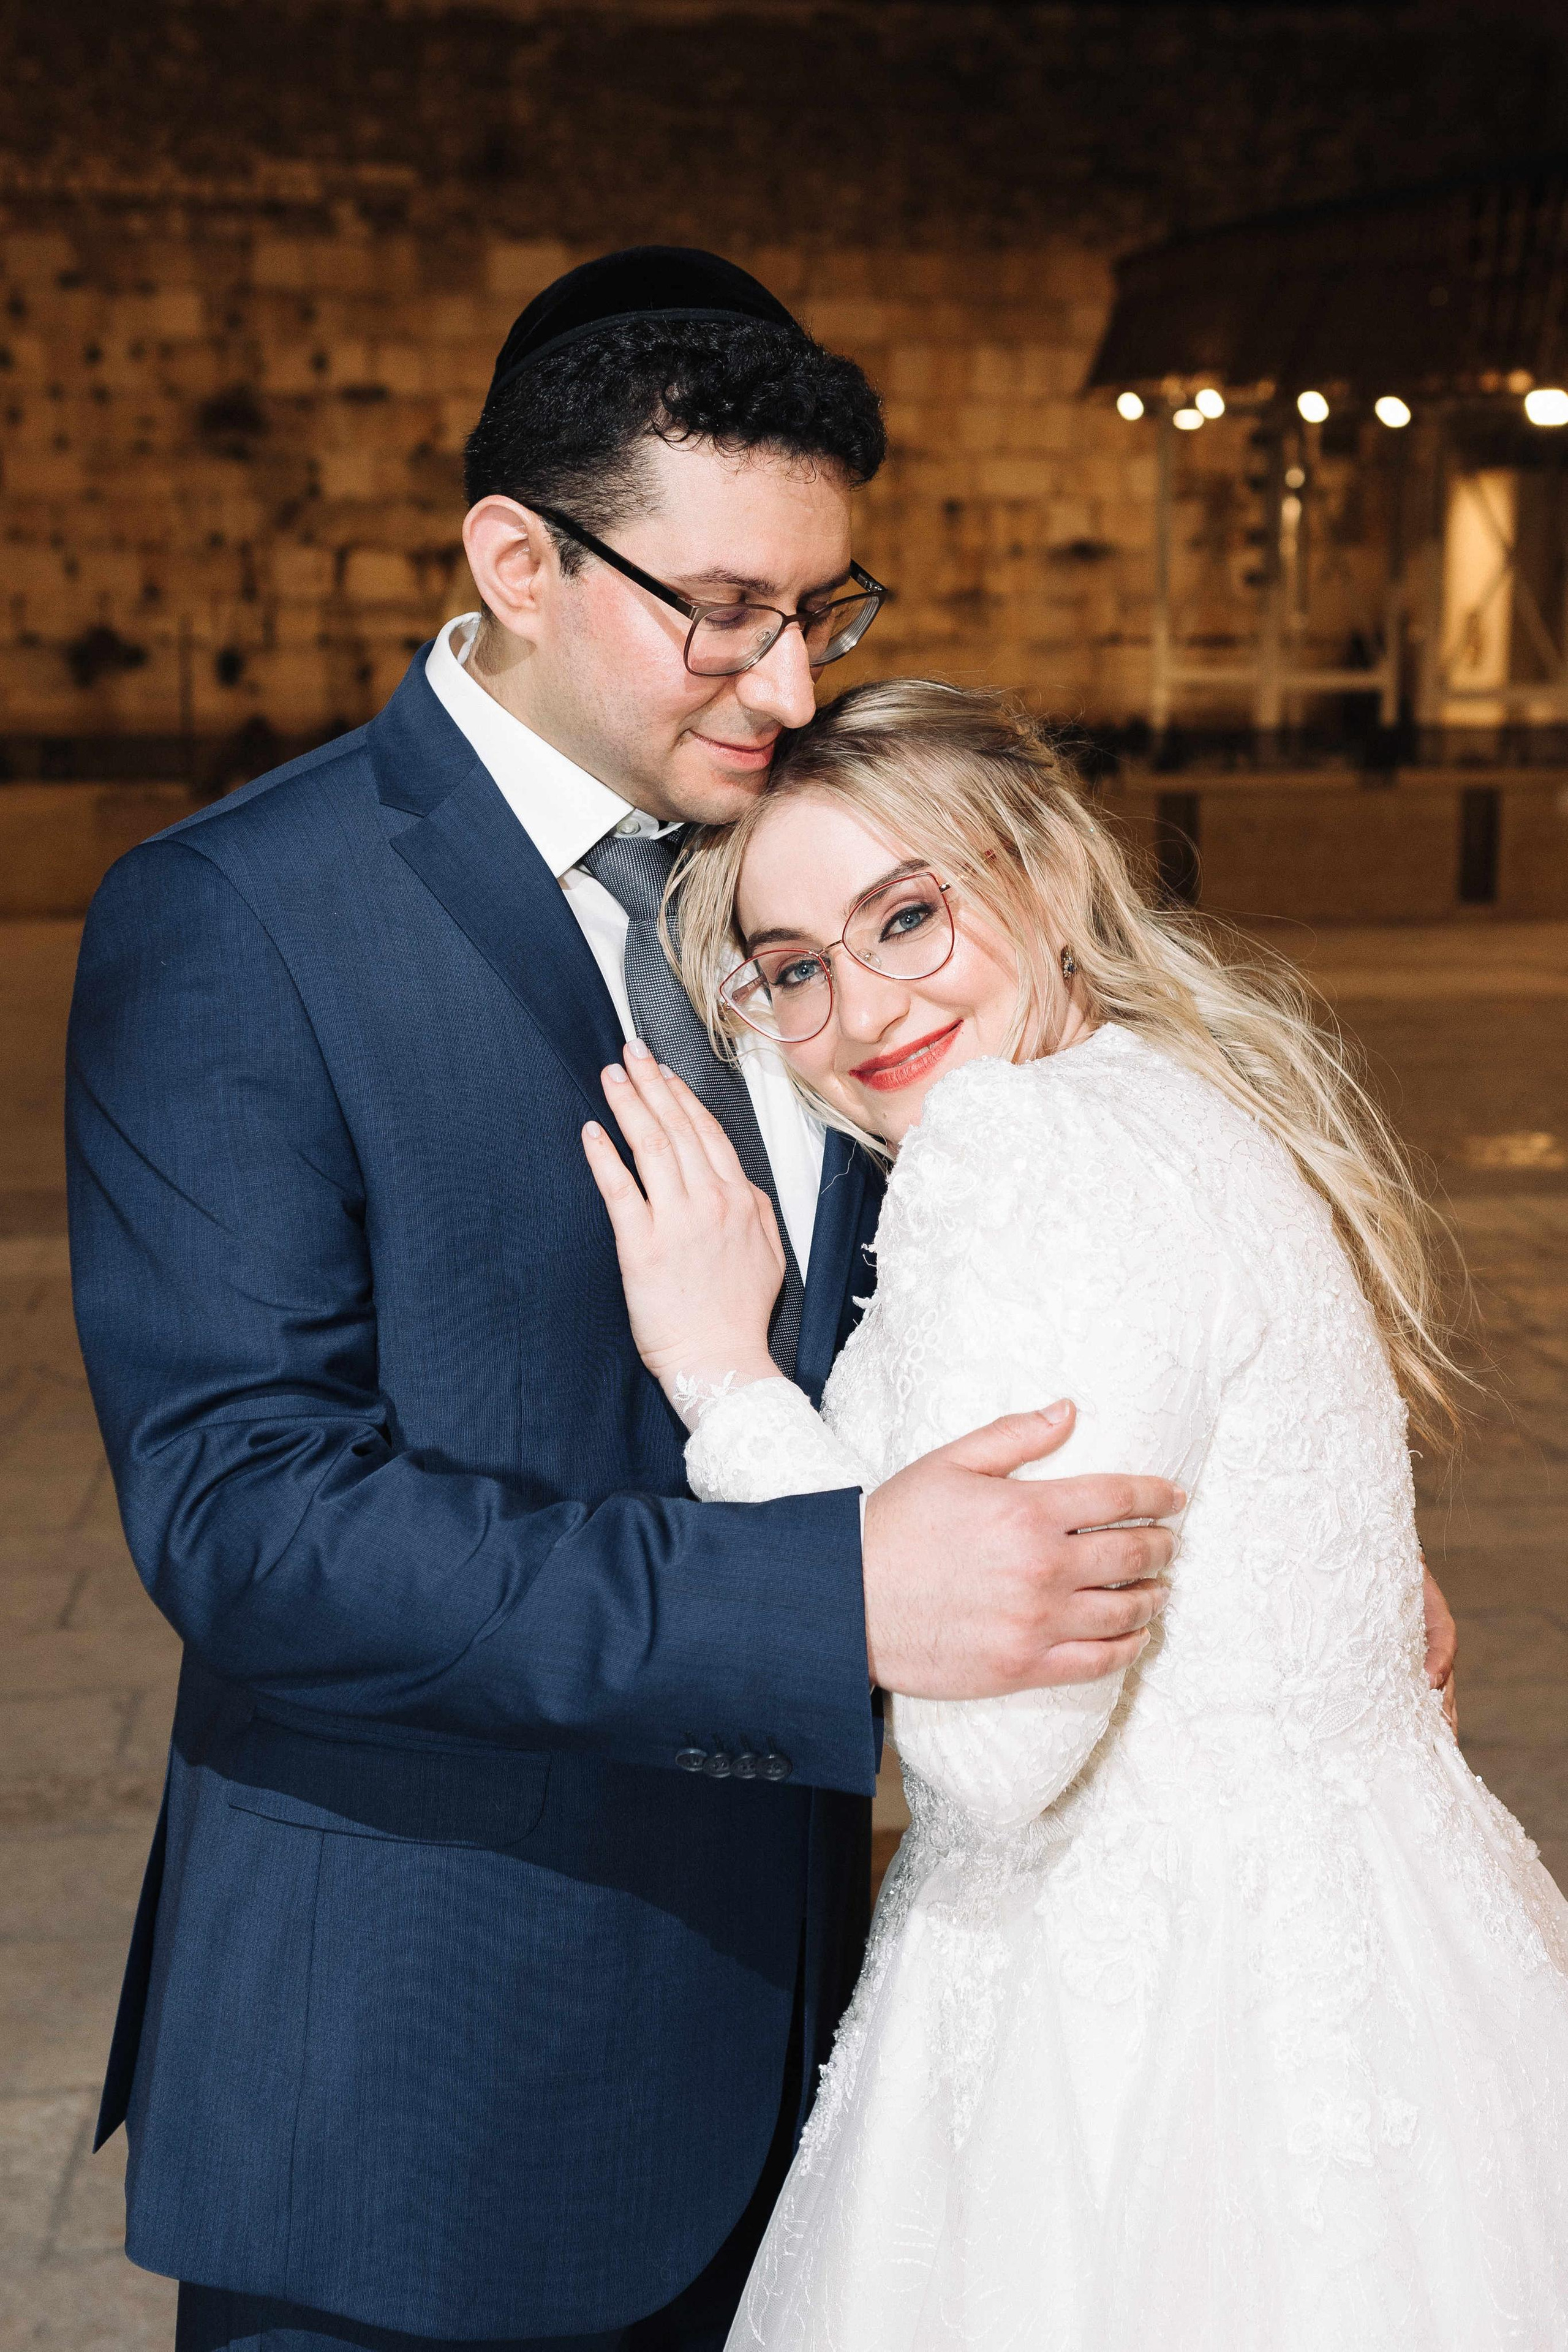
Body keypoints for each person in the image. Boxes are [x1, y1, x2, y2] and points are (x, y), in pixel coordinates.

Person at [66, 252, 1195, 2352]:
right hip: (418, 2092)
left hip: (831, 2083)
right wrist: (824, 1601)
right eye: (724, 611)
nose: (783, 684)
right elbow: (247, 1519)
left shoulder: (802, 883)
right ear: (514, 557)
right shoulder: (235, 918)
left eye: (823, 609)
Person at [582, 677, 1566, 2352]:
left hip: (1142, 2026)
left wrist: (721, 1381)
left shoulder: (1020, 1154)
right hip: (1374, 1964)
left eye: (909, 915)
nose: (865, 1007)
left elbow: (1001, 1752)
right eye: (799, 968)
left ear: (1042, 875)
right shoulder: (1167, 1097)